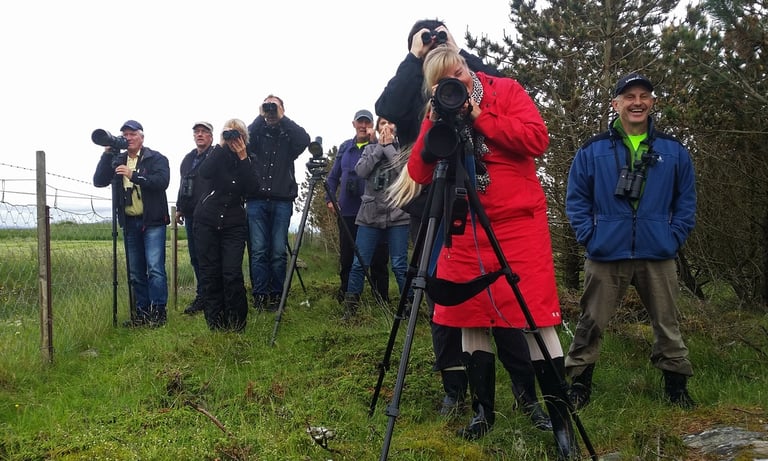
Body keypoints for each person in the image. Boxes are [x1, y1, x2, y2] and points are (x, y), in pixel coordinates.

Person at [376, 18, 550, 431]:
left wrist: (454, 51)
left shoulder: (477, 82)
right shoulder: (413, 90)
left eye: (442, 40)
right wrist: (414, 57)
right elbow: (388, 107)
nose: (448, 74)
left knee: (503, 302)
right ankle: (457, 392)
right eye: (428, 43)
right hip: (436, 213)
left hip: (490, 214)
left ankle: (526, 397)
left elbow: (479, 80)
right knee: (449, 304)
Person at [406, 47, 577, 458]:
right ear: (434, 89)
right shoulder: (438, 113)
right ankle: (484, 414)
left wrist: (481, 117)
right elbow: (418, 173)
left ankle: (560, 423)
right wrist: (434, 125)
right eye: (445, 80)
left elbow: (537, 139)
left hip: (519, 222)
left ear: (469, 67)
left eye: (460, 72)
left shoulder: (506, 91)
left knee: (536, 317)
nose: (458, 82)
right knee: (469, 315)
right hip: (465, 225)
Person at [564, 73, 697, 411]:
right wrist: (590, 236)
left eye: (644, 96)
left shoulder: (674, 150)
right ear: (615, 104)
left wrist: (674, 235)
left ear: (653, 103)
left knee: (668, 323)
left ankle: (676, 389)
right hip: (606, 251)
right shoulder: (592, 150)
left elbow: (686, 200)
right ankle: (579, 385)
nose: (637, 102)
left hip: (658, 251)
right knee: (590, 322)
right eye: (629, 96)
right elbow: (576, 199)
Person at [93, 120, 171, 328]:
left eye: (132, 134)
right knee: (136, 272)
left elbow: (162, 182)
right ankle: (142, 314)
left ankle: (159, 313)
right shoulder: (117, 159)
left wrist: (133, 175)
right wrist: (108, 152)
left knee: (155, 268)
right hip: (129, 222)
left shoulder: (156, 158)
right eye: (124, 135)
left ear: (142, 137)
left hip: (152, 221)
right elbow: (99, 180)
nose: (128, 138)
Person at [245, 95, 310, 312]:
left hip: (282, 200)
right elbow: (243, 137)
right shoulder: (256, 136)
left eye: (275, 107)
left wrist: (283, 118)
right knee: (259, 250)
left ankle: (276, 297)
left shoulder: (288, 136)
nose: (271, 110)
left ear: (283, 110)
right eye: (268, 106)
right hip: (256, 200)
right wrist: (260, 114)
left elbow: (304, 140)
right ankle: (260, 296)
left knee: (278, 251)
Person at [342, 117, 410, 320]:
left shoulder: (404, 149)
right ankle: (350, 307)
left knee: (399, 263)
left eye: (390, 122)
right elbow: (361, 171)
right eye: (382, 124)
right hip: (370, 214)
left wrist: (389, 147)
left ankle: (409, 305)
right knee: (359, 262)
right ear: (377, 128)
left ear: (397, 127)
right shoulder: (369, 150)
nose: (386, 126)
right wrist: (379, 148)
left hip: (398, 214)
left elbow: (404, 172)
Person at [193, 119, 257, 332]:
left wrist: (242, 156)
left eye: (237, 134)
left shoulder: (248, 158)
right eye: (228, 133)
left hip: (233, 224)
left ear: (244, 137)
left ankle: (237, 324)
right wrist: (220, 145)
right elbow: (205, 172)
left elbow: (253, 188)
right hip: (207, 221)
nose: (232, 138)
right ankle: (216, 324)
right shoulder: (216, 155)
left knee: (231, 274)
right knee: (210, 273)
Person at [325, 109, 390, 309]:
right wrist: (330, 199)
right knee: (347, 256)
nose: (363, 126)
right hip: (348, 211)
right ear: (353, 124)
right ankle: (347, 293)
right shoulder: (345, 148)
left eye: (367, 123)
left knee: (378, 256)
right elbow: (333, 176)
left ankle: (381, 297)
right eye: (360, 122)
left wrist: (374, 143)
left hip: (374, 211)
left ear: (372, 126)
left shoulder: (381, 146)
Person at [176, 121, 214, 315]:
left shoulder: (215, 155)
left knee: (208, 256)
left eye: (204, 132)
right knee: (195, 258)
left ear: (211, 136)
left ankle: (211, 296)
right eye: (197, 132)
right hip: (190, 214)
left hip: (209, 215)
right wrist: (180, 208)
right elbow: (183, 183)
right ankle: (203, 296)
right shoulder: (188, 158)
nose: (200, 135)